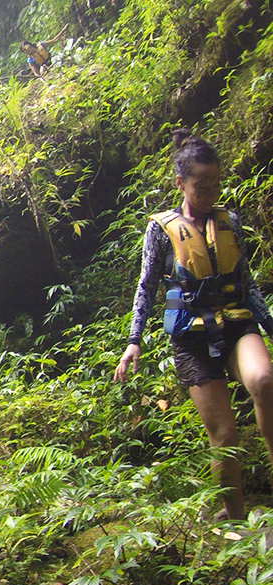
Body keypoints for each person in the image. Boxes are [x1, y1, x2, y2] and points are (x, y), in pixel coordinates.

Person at [115, 128, 273, 522]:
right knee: (225, 436)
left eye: (215, 184)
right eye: (201, 186)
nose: (210, 194)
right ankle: (235, 520)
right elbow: (146, 286)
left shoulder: (229, 221)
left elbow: (246, 281)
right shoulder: (161, 229)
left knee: (264, 381)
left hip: (236, 323)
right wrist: (134, 340)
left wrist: (269, 325)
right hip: (191, 336)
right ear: (180, 183)